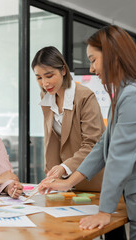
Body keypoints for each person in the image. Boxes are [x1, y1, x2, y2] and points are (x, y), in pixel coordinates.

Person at [40, 25, 136, 240]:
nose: (91, 69)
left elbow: (120, 157)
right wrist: (68, 181)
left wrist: (104, 211)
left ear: (113, 56)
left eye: (93, 60)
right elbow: (103, 146)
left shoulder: (134, 95)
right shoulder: (123, 93)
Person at [32, 46, 105, 191]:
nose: (45, 83)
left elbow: (92, 144)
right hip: (65, 182)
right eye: (39, 78)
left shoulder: (84, 96)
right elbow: (51, 139)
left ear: (63, 70)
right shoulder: (46, 97)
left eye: (49, 75)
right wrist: (51, 174)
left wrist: (64, 168)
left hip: (92, 179)